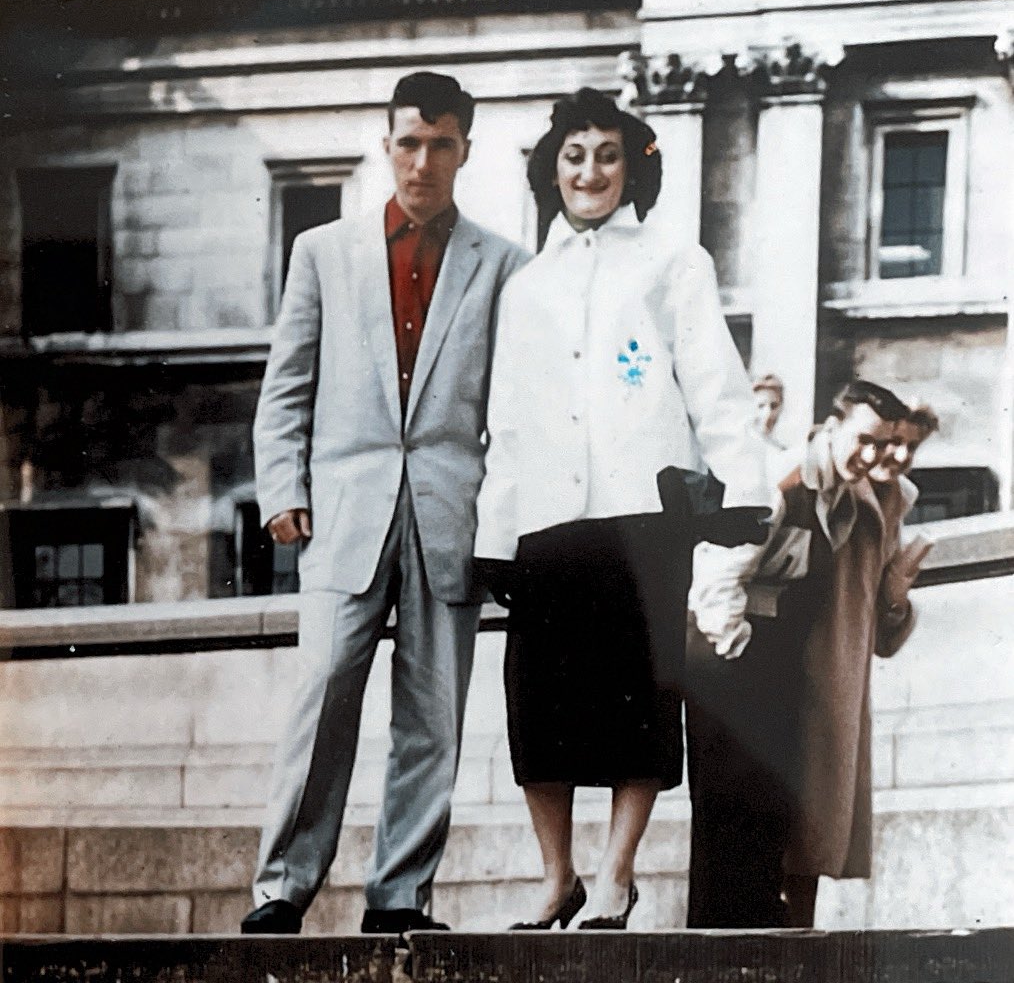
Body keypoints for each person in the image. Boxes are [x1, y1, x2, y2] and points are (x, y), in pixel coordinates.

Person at [473, 87, 768, 931]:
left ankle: (615, 873)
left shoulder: (673, 263)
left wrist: (741, 488)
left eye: (607, 153)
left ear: (634, 164)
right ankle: (556, 873)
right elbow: (510, 417)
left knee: (636, 703)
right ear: (551, 170)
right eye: (574, 155)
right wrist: (496, 532)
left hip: (643, 512)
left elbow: (714, 380)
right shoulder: (526, 287)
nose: (590, 170)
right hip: (546, 520)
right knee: (539, 705)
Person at [242, 71, 528, 936]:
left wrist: (509, 525)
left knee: (432, 714)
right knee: (323, 693)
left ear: (465, 152)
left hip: (452, 516)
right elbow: (286, 384)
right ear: (387, 145)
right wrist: (282, 488)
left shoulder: (505, 264)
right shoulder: (323, 252)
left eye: (443, 144)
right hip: (343, 513)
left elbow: (514, 411)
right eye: (410, 142)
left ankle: (399, 896)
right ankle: (282, 887)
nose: (424, 161)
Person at [686, 379, 915, 928]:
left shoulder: (839, 489)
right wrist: (735, 651)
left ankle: (754, 936)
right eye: (863, 439)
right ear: (831, 428)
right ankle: (723, 945)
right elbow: (718, 576)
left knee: (766, 809)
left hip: (769, 654)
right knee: (731, 806)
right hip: (730, 650)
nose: (872, 456)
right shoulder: (783, 478)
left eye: (883, 446)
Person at [780, 399, 939, 926]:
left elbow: (884, 634)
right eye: (892, 440)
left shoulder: (894, 501)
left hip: (841, 671)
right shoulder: (837, 476)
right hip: (793, 661)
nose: (897, 454)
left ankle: (796, 937)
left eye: (911, 446)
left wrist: (896, 596)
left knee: (816, 830)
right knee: (786, 822)